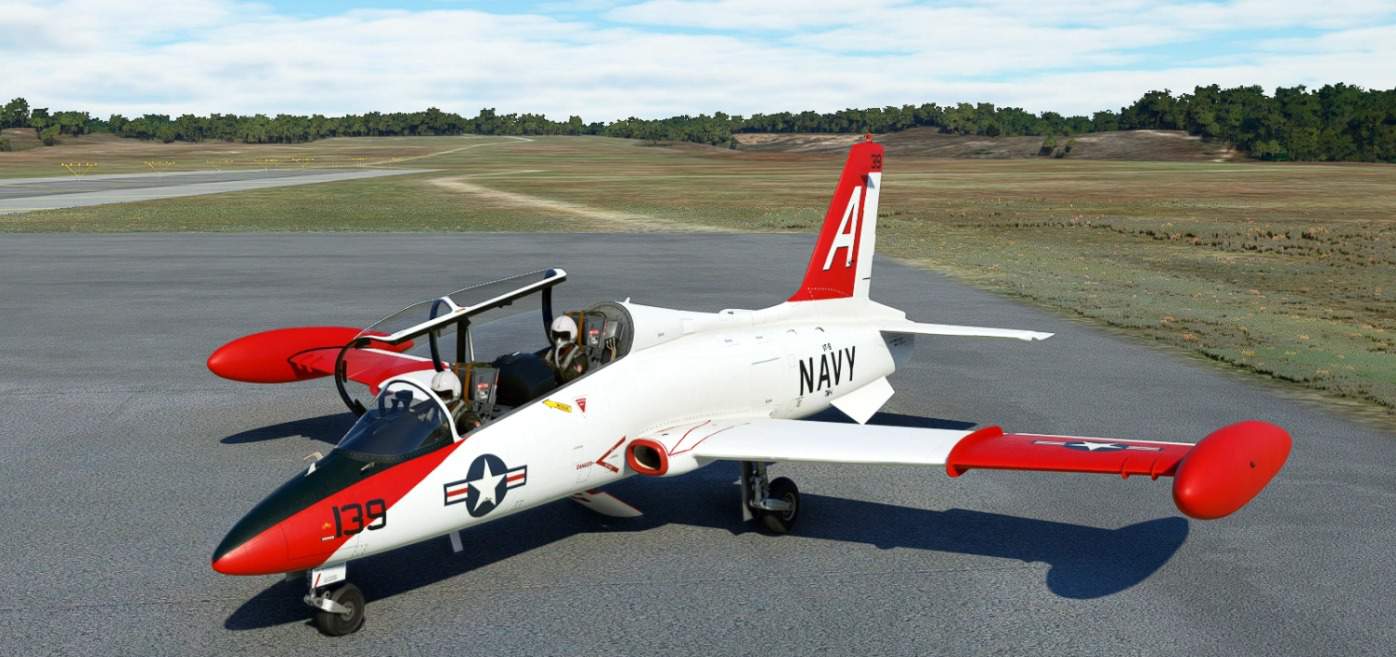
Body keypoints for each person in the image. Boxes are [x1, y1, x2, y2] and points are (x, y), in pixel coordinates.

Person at [545, 314, 586, 383]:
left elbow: (570, 378)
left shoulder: (580, 358)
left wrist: (551, 368)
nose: (559, 340)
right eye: (556, 335)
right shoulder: (551, 353)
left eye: (564, 336)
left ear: (572, 334)